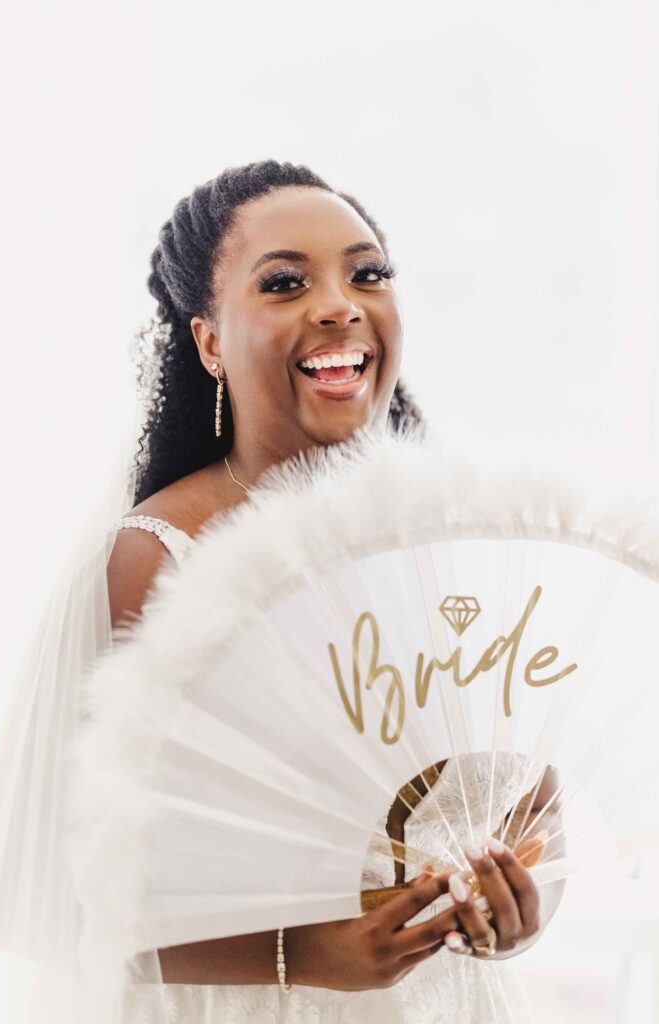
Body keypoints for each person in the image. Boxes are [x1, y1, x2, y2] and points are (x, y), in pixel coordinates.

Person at [106, 159, 564, 1023]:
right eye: (285, 283)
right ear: (208, 340)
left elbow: (531, 803)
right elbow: (80, 899)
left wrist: (518, 914)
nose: (337, 304)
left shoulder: (459, 536)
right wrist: (311, 953)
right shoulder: (160, 555)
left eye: (367, 274)